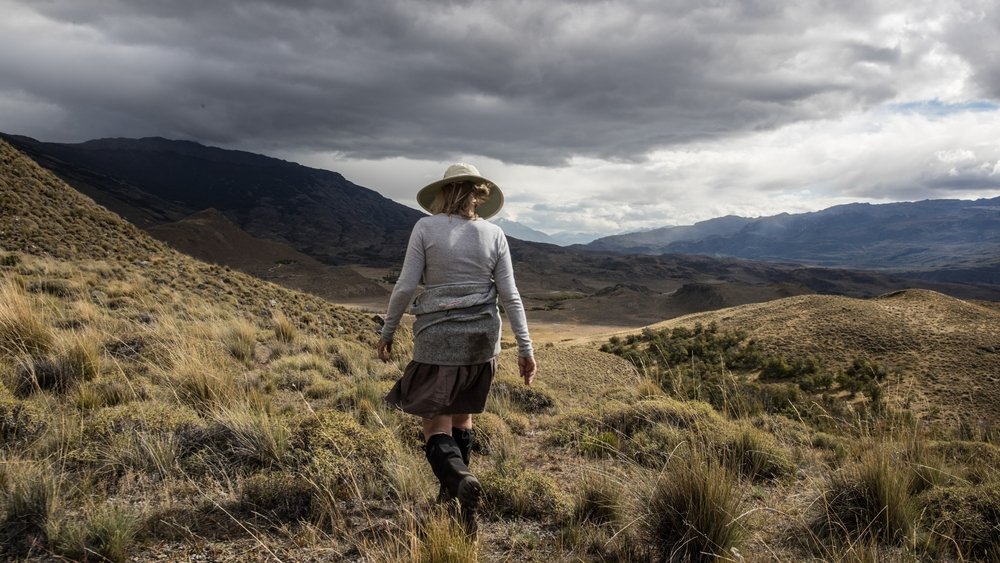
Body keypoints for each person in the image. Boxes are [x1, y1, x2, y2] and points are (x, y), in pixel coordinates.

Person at [376, 163, 537, 533]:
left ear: (444, 192)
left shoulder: (424, 228)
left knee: (435, 425)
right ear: (479, 196)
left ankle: (459, 481)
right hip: (483, 345)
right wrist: (525, 350)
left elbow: (404, 287)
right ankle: (458, 506)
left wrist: (387, 331)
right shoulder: (494, 234)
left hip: (437, 341)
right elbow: (510, 296)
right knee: (463, 418)